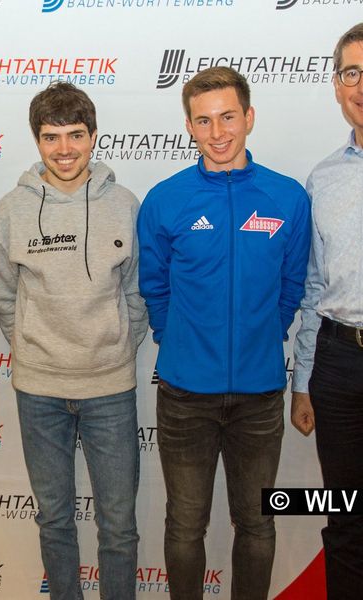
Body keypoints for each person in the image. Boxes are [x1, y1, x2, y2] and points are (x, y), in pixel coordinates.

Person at [137, 66, 311, 600]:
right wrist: (186, 345)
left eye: (228, 117)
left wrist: (259, 340)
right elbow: (155, 290)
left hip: (259, 397)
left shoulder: (286, 198)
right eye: (204, 120)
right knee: (185, 526)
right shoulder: (166, 200)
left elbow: (291, 290)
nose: (218, 132)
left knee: (257, 524)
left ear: (249, 117)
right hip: (186, 395)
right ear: (189, 126)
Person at [0, 81, 147, 600]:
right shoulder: (12, 210)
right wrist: (34, 349)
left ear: (94, 136)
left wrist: (117, 348)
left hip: (110, 389)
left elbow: (138, 293)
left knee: (119, 527)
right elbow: (6, 298)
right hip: (38, 393)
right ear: (37, 141)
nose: (64, 149)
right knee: (54, 521)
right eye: (51, 137)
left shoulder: (124, 203)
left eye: (75, 135)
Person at [291, 22, 363, 600]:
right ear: (337, 86)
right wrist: (305, 379)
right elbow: (314, 288)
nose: (361, 84)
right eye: (352, 72)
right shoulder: (323, 178)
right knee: (347, 520)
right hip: (340, 364)